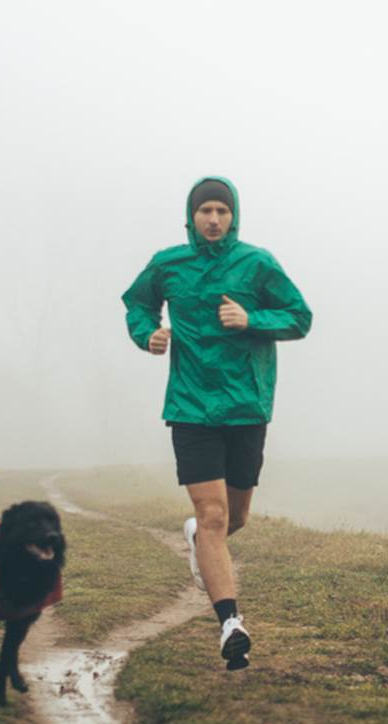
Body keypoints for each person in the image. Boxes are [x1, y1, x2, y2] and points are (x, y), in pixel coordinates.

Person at [121, 176, 312, 670]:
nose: (213, 219)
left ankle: (197, 539)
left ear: (234, 217)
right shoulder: (168, 264)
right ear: (191, 216)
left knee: (234, 517)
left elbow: (299, 316)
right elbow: (137, 303)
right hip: (190, 406)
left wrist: (252, 320)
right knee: (213, 516)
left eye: (221, 212)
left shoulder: (257, 263)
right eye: (205, 210)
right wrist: (148, 335)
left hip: (246, 404)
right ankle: (230, 622)